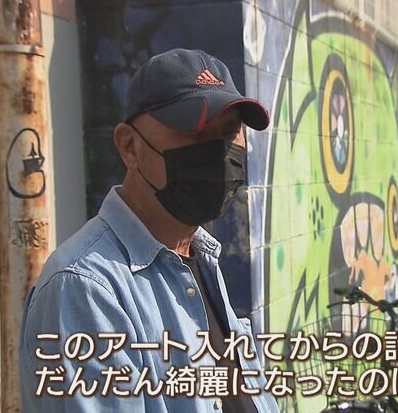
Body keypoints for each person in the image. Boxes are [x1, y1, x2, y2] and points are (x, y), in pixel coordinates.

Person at [19, 48, 279, 412]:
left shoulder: (198, 255)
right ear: (130, 147)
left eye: (230, 132)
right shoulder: (85, 289)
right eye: (197, 133)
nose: (219, 155)